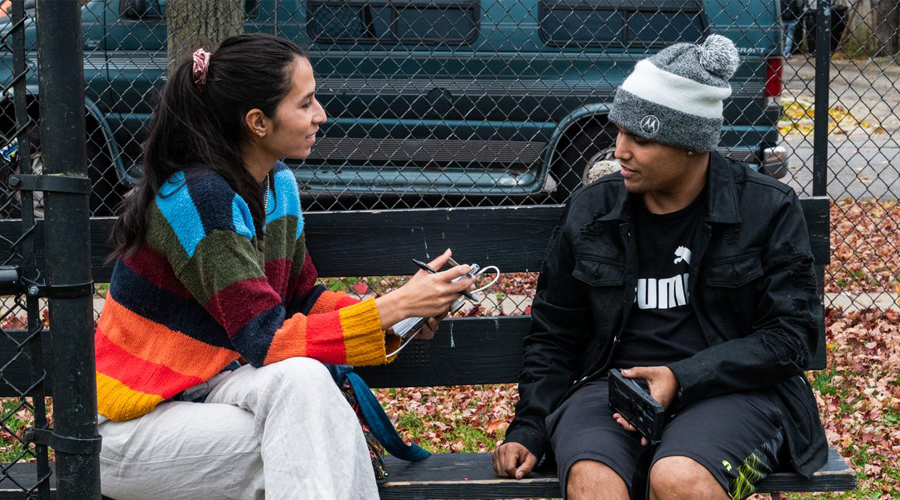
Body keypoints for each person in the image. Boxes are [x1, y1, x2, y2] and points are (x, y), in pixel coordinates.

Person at [95, 33, 475, 500]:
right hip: (134, 425)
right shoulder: (198, 198)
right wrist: (391, 308)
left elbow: (300, 299)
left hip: (215, 391)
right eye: (307, 103)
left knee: (307, 391)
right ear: (257, 121)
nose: (322, 116)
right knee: (316, 436)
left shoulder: (279, 184)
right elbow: (266, 338)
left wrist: (402, 317)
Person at [492, 35, 827, 500]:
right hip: (611, 392)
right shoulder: (592, 212)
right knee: (593, 482)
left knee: (680, 480)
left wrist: (682, 378)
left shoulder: (764, 209)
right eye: (619, 132)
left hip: (728, 393)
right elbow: (555, 335)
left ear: (691, 143)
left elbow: (791, 338)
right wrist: (528, 427)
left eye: (641, 138)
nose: (620, 151)